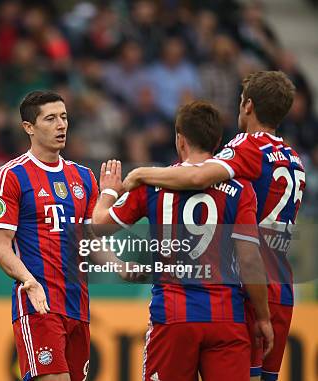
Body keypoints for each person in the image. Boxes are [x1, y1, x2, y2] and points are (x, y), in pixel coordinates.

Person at [123, 71, 304, 381]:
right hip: (282, 288)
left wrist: (141, 175)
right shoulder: (294, 158)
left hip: (251, 287)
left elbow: (197, 177)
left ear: (247, 105)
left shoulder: (247, 147)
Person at [93, 101, 273, 381]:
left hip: (173, 317)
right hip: (226, 319)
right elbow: (250, 260)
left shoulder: (151, 184)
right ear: (217, 142)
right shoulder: (241, 189)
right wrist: (263, 317)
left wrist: (107, 192)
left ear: (180, 139)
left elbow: (98, 226)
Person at [0, 91, 98, 381]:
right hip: (39, 304)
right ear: (29, 127)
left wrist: (124, 266)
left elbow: (92, 242)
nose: (61, 125)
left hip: (78, 306)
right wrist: (29, 281)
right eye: (50, 118)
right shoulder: (10, 176)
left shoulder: (84, 177)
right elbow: (1, 247)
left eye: (64, 117)